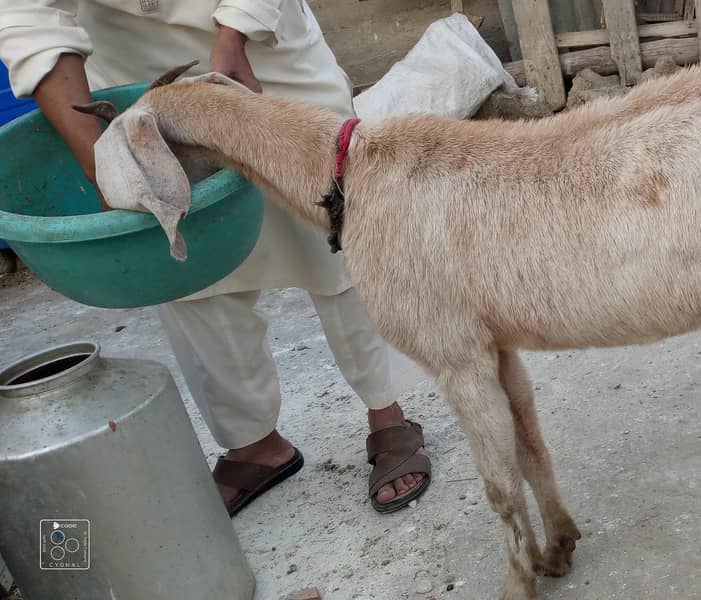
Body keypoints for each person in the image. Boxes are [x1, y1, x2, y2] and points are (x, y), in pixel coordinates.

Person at [0, 0, 432, 515]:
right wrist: (98, 158)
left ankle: (389, 415)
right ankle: (254, 443)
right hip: (138, 76)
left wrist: (235, 34)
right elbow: (29, 13)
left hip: (260, 59)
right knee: (188, 269)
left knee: (332, 237)